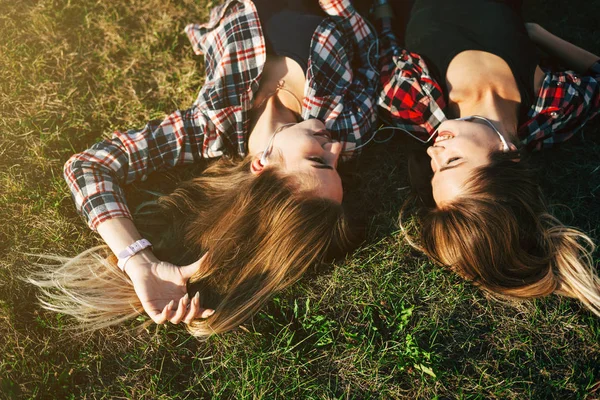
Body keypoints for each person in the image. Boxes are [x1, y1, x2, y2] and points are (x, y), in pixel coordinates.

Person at [30, 0, 380, 336]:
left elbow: (90, 167)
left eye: (319, 161)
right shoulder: (348, 127)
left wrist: (138, 261)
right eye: (334, 164)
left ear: (261, 165)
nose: (334, 149)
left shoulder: (208, 126)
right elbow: (373, 52)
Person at [375, 0, 600, 314]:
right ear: (508, 155)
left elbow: (384, 51)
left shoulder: (413, 105)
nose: (433, 151)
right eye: (452, 162)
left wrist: (384, 13)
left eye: (434, 168)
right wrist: (539, 34)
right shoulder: (551, 108)